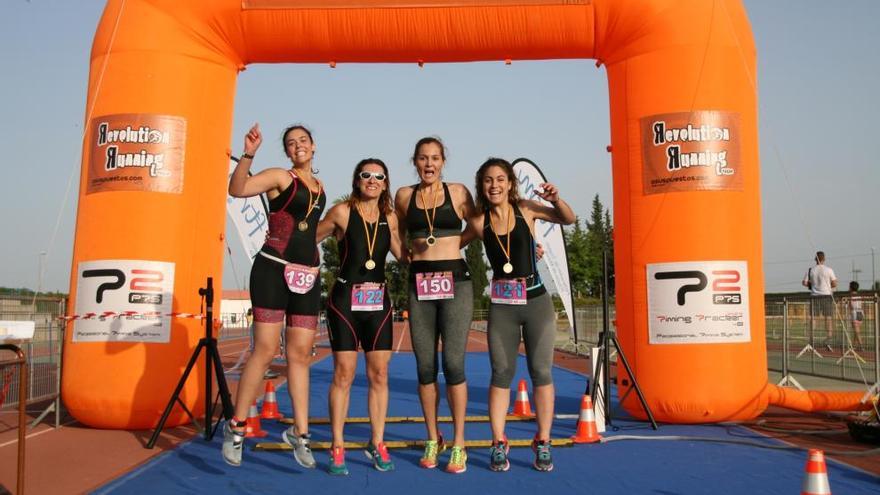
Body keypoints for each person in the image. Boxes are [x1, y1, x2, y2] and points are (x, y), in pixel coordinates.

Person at [223, 123, 326, 469]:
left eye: (303, 141)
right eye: (290, 143)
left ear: (313, 146)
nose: (297, 146)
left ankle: (301, 433)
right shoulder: (280, 177)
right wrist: (249, 152)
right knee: (265, 349)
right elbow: (237, 189)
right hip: (272, 270)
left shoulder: (320, 187)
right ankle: (236, 427)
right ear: (286, 152)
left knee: (299, 355)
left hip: (307, 277)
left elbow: (310, 231)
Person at [468, 157, 575, 472]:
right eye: (488, 180)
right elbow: (451, 246)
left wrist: (556, 199)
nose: (495, 185)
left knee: (542, 373)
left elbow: (567, 218)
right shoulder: (478, 222)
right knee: (501, 374)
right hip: (502, 308)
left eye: (500, 179)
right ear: (481, 186)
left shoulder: (527, 209)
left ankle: (542, 440)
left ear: (510, 183)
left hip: (536, 303)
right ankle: (498, 441)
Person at [315, 158, 404, 475]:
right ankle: (337, 444)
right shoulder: (341, 212)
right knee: (344, 373)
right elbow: (310, 238)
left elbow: (405, 255)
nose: (372, 180)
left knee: (379, 374)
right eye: (366, 175)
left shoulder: (389, 217)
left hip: (378, 302)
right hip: (345, 302)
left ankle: (377, 441)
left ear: (385, 182)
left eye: (379, 176)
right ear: (357, 180)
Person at [394, 136, 476, 474]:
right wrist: (403, 256)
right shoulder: (403, 195)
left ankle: (459, 443)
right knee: (424, 368)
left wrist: (456, 243)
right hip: (419, 283)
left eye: (435, 158)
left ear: (444, 161)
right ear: (414, 161)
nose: (429, 164)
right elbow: (396, 231)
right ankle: (433, 437)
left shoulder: (458, 192)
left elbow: (479, 226)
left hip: (455, 281)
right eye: (423, 158)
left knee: (454, 365)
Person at [802, 250, 838, 352]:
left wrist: (812, 285)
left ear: (815, 259)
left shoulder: (811, 270)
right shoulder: (829, 270)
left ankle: (811, 340)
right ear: (824, 259)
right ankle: (828, 341)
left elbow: (804, 282)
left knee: (813, 319)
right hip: (826, 296)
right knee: (828, 319)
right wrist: (827, 285)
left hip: (814, 296)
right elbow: (835, 283)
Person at [846, 281, 865, 350]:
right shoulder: (859, 295)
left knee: (857, 331)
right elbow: (861, 304)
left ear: (851, 287)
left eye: (849, 286)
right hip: (861, 312)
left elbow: (851, 304)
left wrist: (849, 311)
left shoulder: (851, 295)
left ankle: (861, 345)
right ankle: (853, 346)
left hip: (854, 312)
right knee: (856, 331)